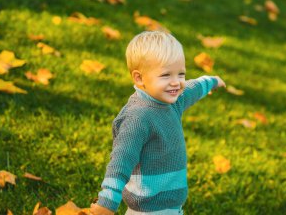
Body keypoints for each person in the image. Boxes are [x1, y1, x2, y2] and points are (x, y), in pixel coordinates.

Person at [90, 31, 226, 215]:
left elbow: (192, 89)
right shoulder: (138, 118)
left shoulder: (172, 101)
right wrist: (106, 203)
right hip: (148, 208)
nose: (176, 83)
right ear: (139, 78)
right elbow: (121, 161)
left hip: (170, 205)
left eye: (181, 74)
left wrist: (211, 81)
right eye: (165, 75)